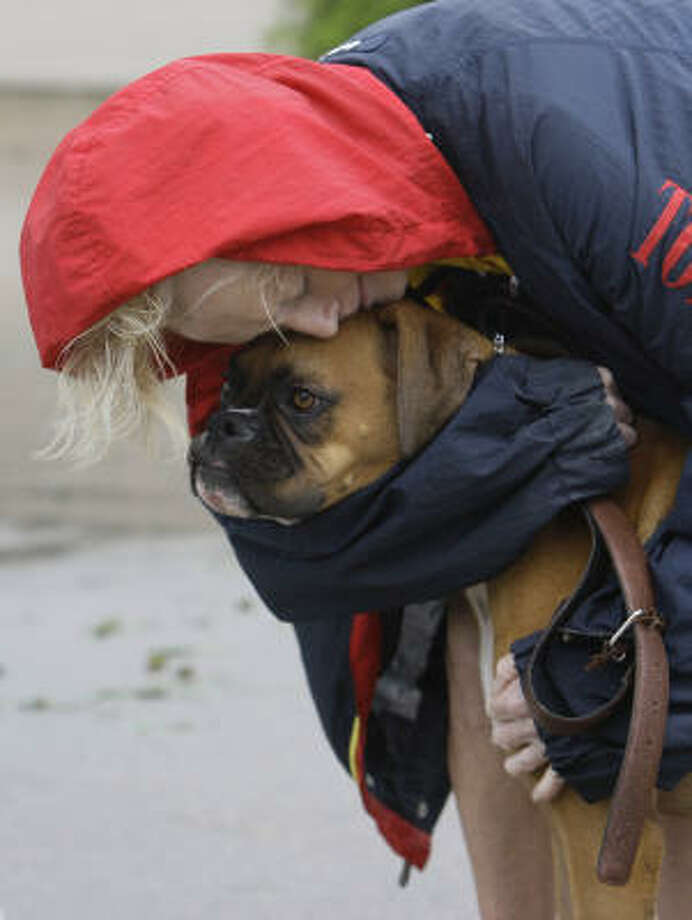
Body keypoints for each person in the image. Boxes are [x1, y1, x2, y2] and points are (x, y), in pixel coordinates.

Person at [20, 1, 692, 916]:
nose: (322, 322)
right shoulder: (294, 188)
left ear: (299, 189)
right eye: (272, 321)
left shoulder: (576, 160)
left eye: (299, 284)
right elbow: (310, 544)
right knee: (479, 614)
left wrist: (641, 655)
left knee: (640, 716)